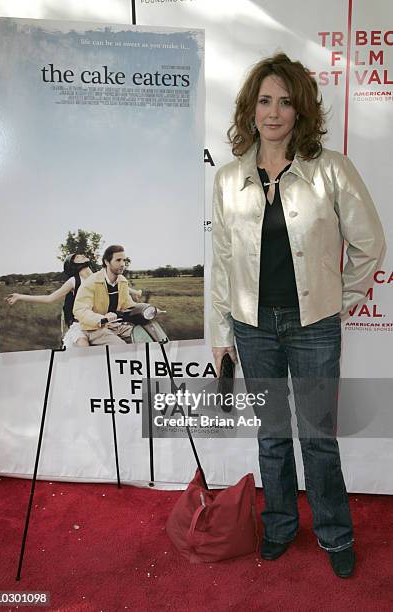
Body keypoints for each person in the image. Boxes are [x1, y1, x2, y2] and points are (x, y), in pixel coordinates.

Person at [211, 53, 386, 578]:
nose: (274, 112)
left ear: (300, 110)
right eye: (264, 101)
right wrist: (221, 332)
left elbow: (369, 244)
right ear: (250, 109)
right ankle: (281, 525)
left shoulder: (329, 169)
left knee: (317, 436)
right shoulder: (227, 179)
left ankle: (335, 535)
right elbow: (222, 261)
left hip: (314, 328)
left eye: (285, 102)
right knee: (271, 437)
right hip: (252, 327)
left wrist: (338, 300)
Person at [6, 253, 93, 347]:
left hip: (99, 322)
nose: (81, 255)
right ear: (73, 265)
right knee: (84, 346)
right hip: (81, 325)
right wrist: (19, 296)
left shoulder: (99, 277)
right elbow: (49, 298)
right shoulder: (74, 281)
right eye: (77, 257)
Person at [73, 244, 137, 346]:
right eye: (118, 260)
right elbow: (80, 310)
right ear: (107, 262)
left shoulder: (122, 281)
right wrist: (102, 319)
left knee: (144, 336)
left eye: (124, 260)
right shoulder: (92, 282)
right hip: (94, 329)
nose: (122, 264)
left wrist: (147, 309)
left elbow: (127, 304)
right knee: (122, 348)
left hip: (116, 326)